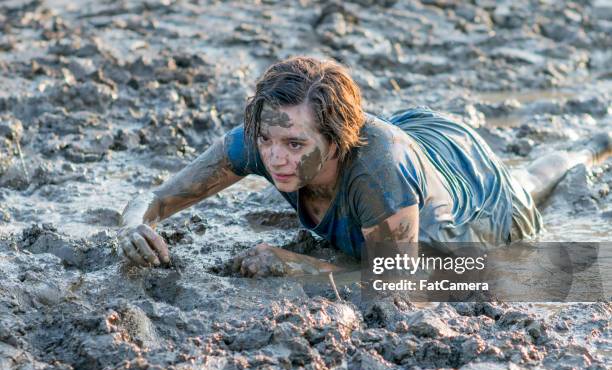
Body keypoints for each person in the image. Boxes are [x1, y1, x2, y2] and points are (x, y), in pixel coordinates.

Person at [117, 56, 611, 277]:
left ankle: (592, 146)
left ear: (336, 141)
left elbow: (400, 287)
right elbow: (157, 200)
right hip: (421, 137)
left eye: (294, 143)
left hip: (475, 207)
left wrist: (297, 267)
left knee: (528, 182)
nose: (275, 157)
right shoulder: (262, 138)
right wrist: (133, 225)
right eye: (266, 141)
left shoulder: (377, 175)